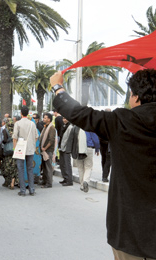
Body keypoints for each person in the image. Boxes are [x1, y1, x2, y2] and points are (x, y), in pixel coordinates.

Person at [51, 69, 156, 259]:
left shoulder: (122, 121)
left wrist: (58, 88)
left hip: (130, 234)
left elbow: (80, 114)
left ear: (137, 96)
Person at [12, 106, 38, 196]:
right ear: (28, 113)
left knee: (20, 169)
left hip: (20, 149)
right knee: (30, 169)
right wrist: (32, 144)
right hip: (30, 149)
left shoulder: (17, 123)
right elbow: (36, 136)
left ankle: (22, 190)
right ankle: (32, 189)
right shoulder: (32, 124)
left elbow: (14, 137)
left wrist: (15, 148)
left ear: (21, 113)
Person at [39, 113, 56, 188]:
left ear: (49, 119)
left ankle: (49, 183)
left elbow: (51, 140)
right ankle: (44, 181)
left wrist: (45, 148)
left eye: (45, 118)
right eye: (43, 118)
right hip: (43, 151)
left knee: (48, 167)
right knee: (44, 167)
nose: (43, 119)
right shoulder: (45, 127)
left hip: (48, 150)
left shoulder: (51, 128)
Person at [58, 117, 73, 186]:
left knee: (67, 164)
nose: (65, 120)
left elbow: (69, 139)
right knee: (62, 164)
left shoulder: (70, 127)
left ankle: (69, 180)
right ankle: (65, 178)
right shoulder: (63, 126)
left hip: (66, 149)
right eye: (63, 118)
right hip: (61, 147)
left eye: (66, 118)